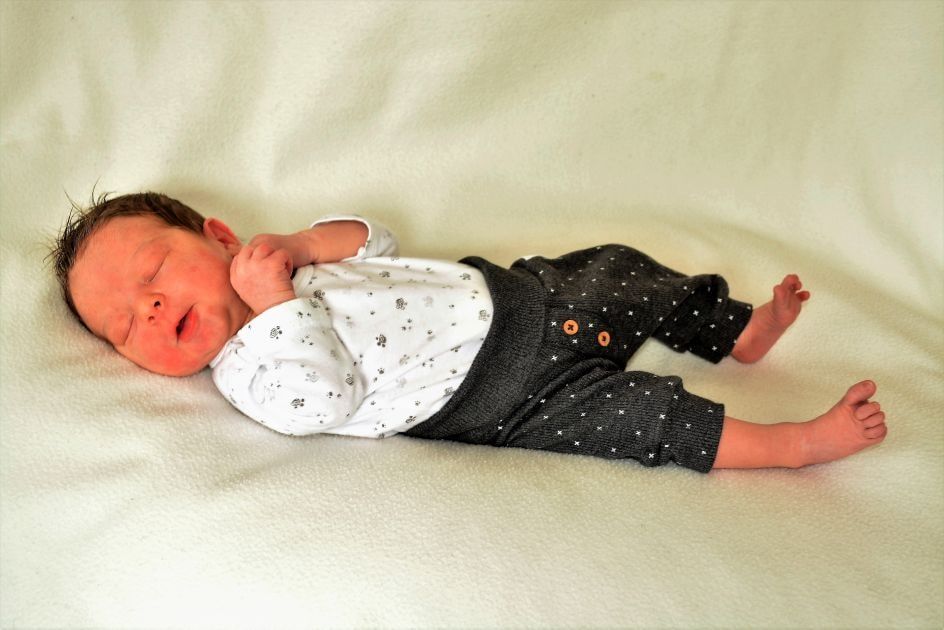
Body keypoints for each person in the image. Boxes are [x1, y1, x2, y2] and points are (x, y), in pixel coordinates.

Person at [49, 192, 888, 473]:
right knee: (643, 420)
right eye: (124, 325)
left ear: (219, 236)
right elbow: (323, 399)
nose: (148, 309)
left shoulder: (281, 260)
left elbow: (376, 238)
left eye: (154, 271)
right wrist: (273, 304)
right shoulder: (249, 371)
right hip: (508, 398)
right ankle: (793, 446)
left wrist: (301, 246)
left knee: (621, 268)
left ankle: (737, 332)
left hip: (521, 293)